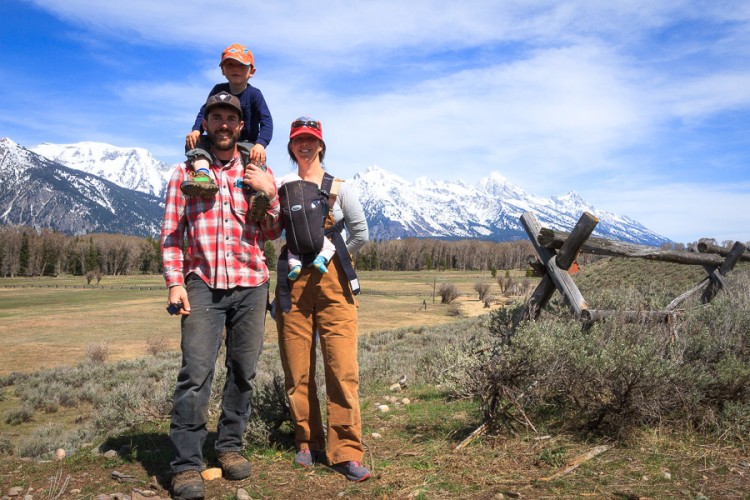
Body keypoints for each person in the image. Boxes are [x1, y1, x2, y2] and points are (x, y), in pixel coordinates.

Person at [161, 91, 281, 499]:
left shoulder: (255, 172)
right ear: (206, 124)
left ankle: (229, 447)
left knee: (244, 371)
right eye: (217, 117)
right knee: (195, 375)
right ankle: (187, 465)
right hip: (203, 283)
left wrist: (272, 192)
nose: (225, 124)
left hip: (251, 282)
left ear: (240, 125)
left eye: (231, 117)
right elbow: (172, 235)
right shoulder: (185, 173)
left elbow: (271, 232)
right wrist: (175, 281)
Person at [274, 117, 371, 482]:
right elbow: (271, 226)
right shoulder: (282, 186)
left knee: (341, 368)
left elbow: (360, 232)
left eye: (310, 140)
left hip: (335, 284)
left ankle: (346, 450)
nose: (305, 145)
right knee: (297, 367)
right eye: (298, 140)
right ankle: (306, 441)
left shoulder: (340, 188)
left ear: (321, 145)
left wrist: (336, 254)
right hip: (295, 281)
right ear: (291, 145)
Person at [182, 43, 273, 210]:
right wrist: (196, 130)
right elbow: (204, 113)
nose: (235, 69)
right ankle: (202, 176)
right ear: (223, 70)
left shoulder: (255, 95)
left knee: (255, 162)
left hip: (247, 142)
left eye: (241, 65)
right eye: (230, 64)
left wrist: (261, 144)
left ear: (251, 71)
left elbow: (267, 122)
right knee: (198, 144)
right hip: (217, 138)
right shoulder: (218, 90)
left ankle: (257, 197)